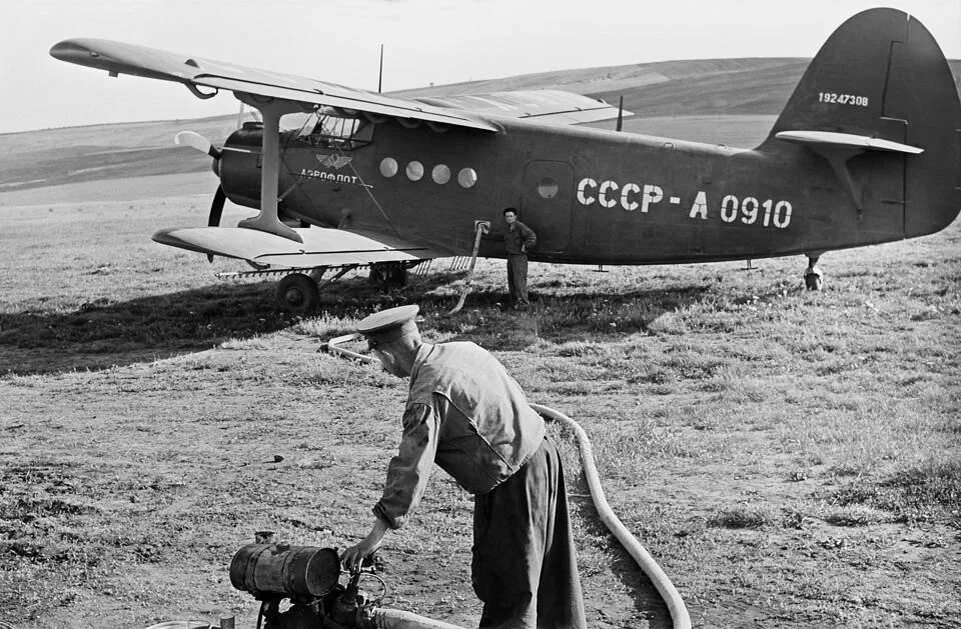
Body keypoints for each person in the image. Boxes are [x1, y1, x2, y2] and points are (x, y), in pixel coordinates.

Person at [342, 305, 586, 629]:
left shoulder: (426, 394)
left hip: (514, 482)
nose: (383, 368)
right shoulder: (463, 350)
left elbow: (411, 468)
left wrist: (374, 536)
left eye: (379, 360)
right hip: (543, 455)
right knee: (552, 577)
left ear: (387, 354)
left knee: (511, 588)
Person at [502, 208, 536, 308]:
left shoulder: (520, 226)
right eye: (507, 216)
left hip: (519, 257)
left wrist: (525, 246)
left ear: (515, 217)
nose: (509, 218)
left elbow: (532, 236)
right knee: (511, 280)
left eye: (511, 216)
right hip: (511, 256)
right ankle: (515, 302)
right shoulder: (508, 228)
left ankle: (524, 304)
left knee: (519, 280)